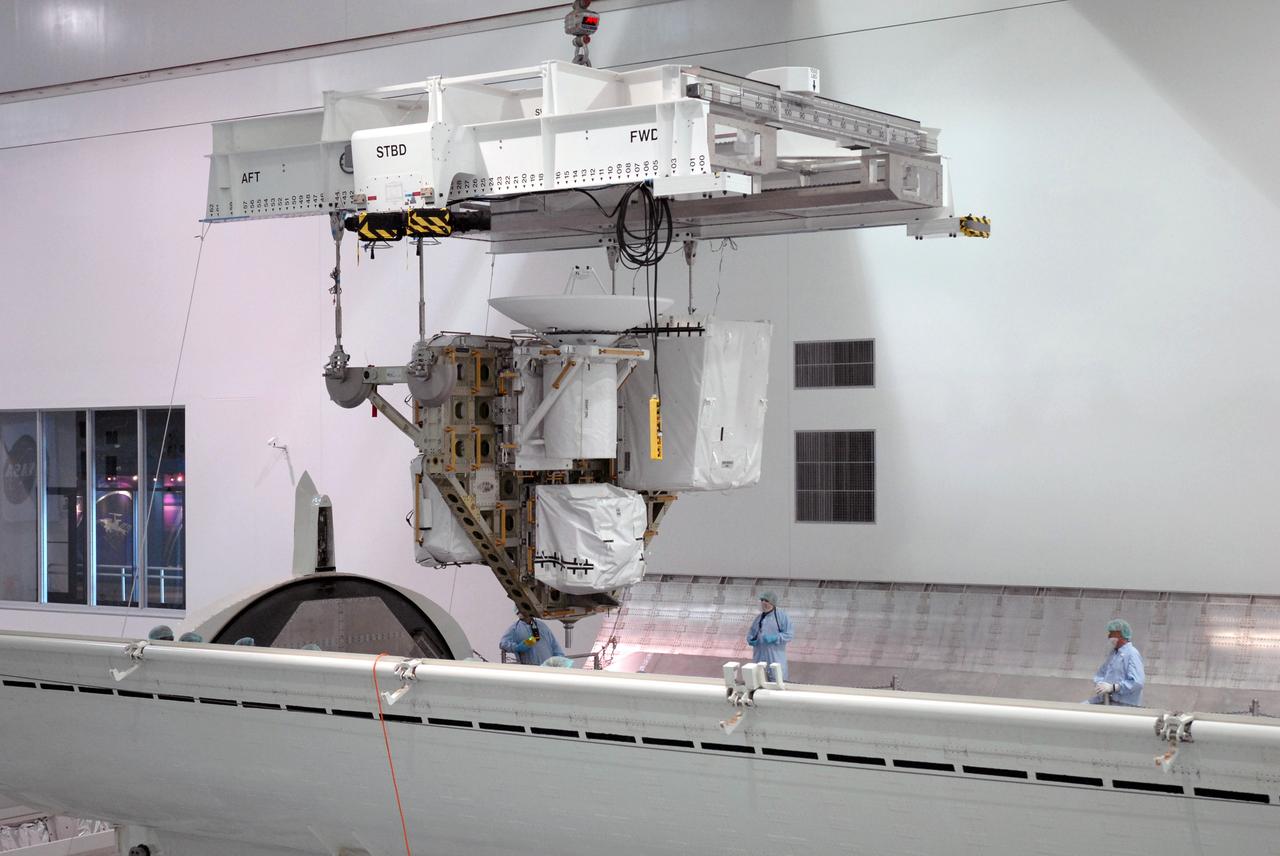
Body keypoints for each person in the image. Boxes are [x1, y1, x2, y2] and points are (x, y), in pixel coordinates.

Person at [1087, 618, 1145, 706]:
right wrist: (1100, 684)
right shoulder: (1114, 654)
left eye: (1112, 633)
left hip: (1124, 704)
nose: (1109, 636)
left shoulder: (1132, 653)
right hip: (1106, 700)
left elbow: (1137, 682)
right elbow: (1100, 673)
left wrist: (1114, 687)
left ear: (1122, 634)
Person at [746, 591, 794, 681]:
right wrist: (751, 639)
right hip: (759, 657)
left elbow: (789, 634)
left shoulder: (782, 617)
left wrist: (775, 637)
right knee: (759, 681)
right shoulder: (758, 618)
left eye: (766, 600)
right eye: (762, 600)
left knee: (777, 681)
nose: (763, 603)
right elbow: (751, 633)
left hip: (775, 657)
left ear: (772, 602)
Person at [499, 612, 565, 666]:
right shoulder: (514, 628)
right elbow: (503, 643)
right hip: (530, 670)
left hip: (548, 668)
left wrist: (560, 661)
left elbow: (554, 645)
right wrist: (517, 647)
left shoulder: (542, 626)